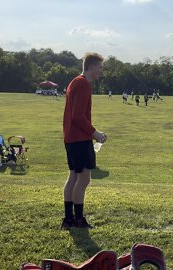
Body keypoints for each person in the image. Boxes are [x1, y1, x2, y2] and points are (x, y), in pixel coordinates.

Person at [62, 52, 107, 229]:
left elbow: (75, 115)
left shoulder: (75, 82)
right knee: (84, 178)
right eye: (100, 68)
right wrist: (94, 133)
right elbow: (78, 116)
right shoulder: (83, 84)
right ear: (92, 66)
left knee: (73, 176)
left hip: (71, 138)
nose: (101, 72)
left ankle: (68, 220)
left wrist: (94, 132)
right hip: (80, 139)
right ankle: (78, 220)